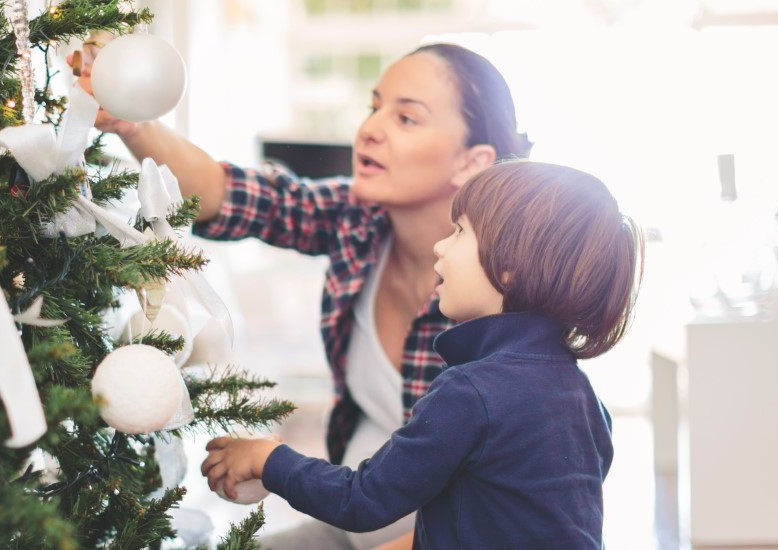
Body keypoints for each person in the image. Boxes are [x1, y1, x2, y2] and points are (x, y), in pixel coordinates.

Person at [76, 40, 532, 548]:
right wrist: (132, 123)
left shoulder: (507, 298)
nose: (371, 130)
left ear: (473, 161)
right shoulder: (360, 220)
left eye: (406, 119)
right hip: (349, 517)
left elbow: (497, 514)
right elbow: (227, 194)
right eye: (374, 107)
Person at [200, 160, 644, 549]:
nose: (440, 245)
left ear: (509, 266)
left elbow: (363, 500)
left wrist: (268, 458)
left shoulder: (471, 392)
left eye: (460, 231)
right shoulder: (584, 397)